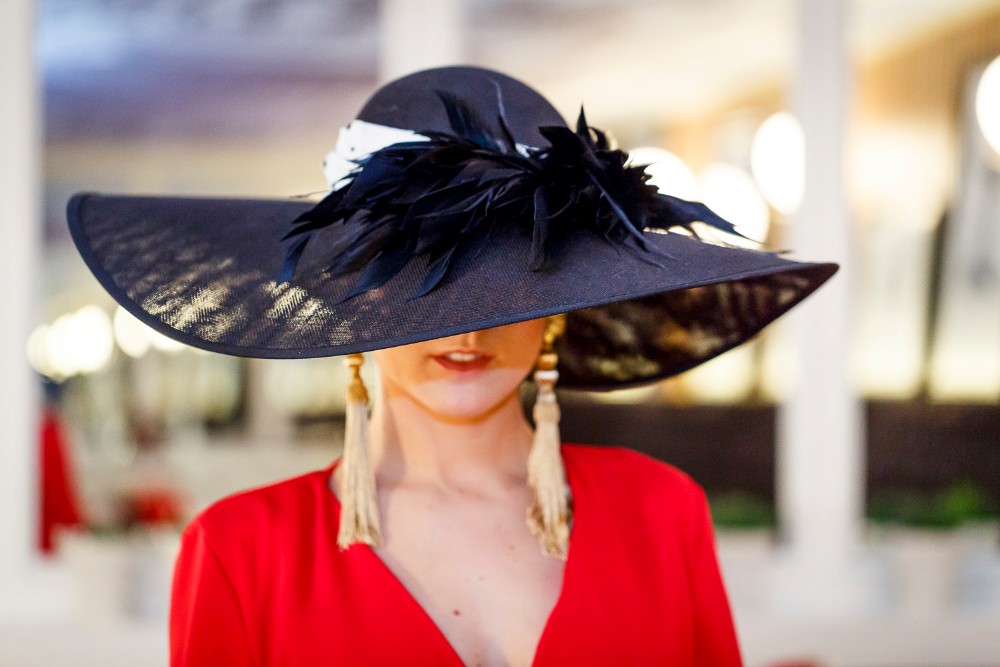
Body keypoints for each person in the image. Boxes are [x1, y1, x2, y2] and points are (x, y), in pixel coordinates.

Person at [67, 66, 837, 666]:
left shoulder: (662, 514)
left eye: (509, 281)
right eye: (422, 278)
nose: (466, 327)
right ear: (356, 305)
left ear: (560, 304)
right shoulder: (241, 552)